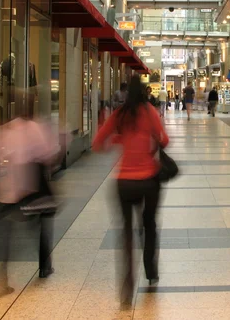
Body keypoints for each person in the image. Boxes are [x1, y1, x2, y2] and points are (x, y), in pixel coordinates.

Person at [92, 75, 169, 304]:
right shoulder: (150, 112)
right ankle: (151, 272)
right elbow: (164, 140)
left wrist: (120, 141)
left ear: (126, 93)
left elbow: (97, 143)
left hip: (124, 181)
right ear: (144, 92)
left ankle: (127, 285)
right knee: (149, 225)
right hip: (148, 181)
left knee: (125, 233)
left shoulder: (120, 114)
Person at [0, 89, 61, 299]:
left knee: (4, 235)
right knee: (42, 224)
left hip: (5, 191)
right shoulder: (33, 128)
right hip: (29, 191)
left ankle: (0, 281)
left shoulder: (5, 130)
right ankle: (45, 266)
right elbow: (49, 154)